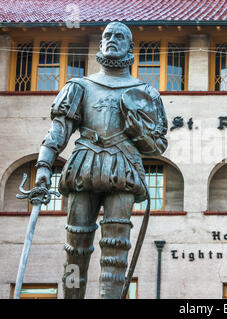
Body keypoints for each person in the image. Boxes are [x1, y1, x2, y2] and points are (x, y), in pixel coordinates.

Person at [34, 22, 167, 299]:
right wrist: (44, 166)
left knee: (116, 247)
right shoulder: (79, 86)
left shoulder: (146, 93)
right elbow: (59, 131)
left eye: (120, 36)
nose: (112, 40)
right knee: (75, 247)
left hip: (124, 168)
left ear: (131, 47)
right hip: (84, 167)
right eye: (108, 35)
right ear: (100, 44)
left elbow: (158, 145)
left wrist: (138, 130)